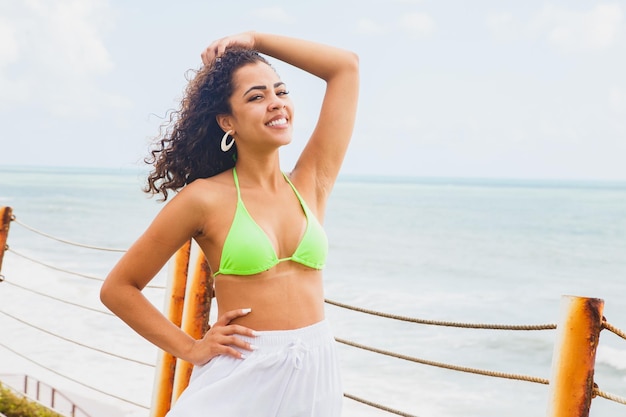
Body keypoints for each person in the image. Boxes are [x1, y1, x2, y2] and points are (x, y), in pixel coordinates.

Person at [100, 31, 359, 416]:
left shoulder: (312, 182)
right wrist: (190, 348)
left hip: (316, 372)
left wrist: (255, 39)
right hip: (242, 374)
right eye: (256, 97)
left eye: (281, 91)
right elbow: (119, 289)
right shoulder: (204, 198)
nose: (276, 104)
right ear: (228, 122)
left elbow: (345, 68)